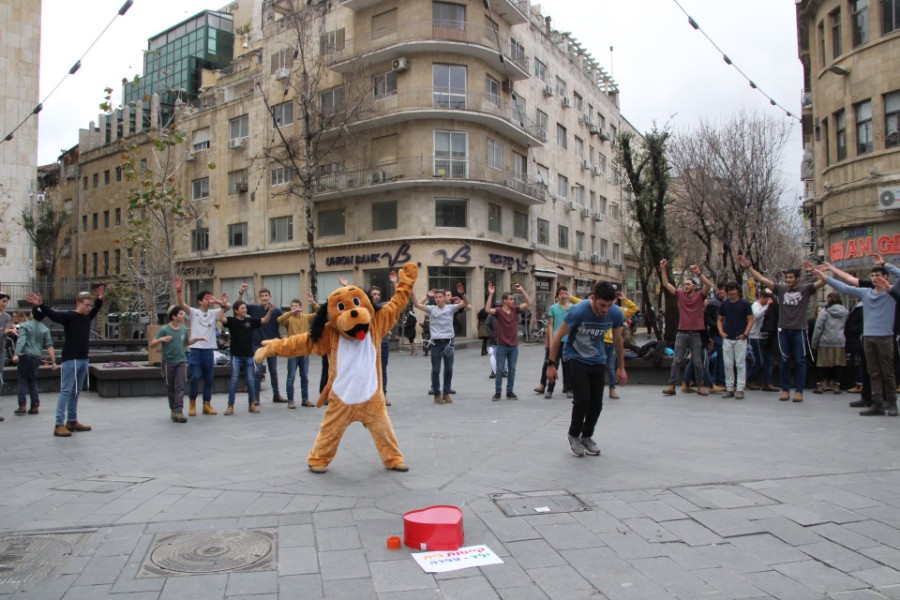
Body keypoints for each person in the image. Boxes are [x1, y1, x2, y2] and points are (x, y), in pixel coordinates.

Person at [546, 281, 626, 457]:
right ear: (593, 298)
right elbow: (558, 335)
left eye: (609, 305)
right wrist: (551, 365)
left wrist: (621, 367)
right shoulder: (578, 310)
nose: (605, 310)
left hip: (598, 359)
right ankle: (573, 435)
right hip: (575, 357)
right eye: (602, 305)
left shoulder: (615, 313)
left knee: (597, 403)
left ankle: (587, 436)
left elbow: (618, 340)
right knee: (582, 399)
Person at [814, 263, 900, 416]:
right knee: (872, 372)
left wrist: (885, 264)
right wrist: (826, 278)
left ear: (885, 277)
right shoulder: (866, 293)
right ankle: (877, 403)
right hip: (868, 337)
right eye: (872, 276)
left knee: (887, 373)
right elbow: (845, 287)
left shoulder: (890, 292)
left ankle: (892, 403)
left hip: (885, 337)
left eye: (878, 275)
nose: (874, 278)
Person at [738, 255, 826, 402]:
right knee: (784, 360)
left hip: (799, 330)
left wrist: (816, 270)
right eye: (787, 278)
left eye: (791, 277)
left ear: (797, 278)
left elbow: (824, 281)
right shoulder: (780, 289)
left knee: (800, 360)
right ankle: (785, 389)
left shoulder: (806, 290)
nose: (788, 280)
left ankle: (799, 391)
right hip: (783, 330)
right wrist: (748, 267)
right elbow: (762, 279)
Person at [26, 286, 104, 437]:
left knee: (76, 391)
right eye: (86, 305)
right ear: (78, 303)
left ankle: (72, 421)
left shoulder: (87, 317)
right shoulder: (69, 316)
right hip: (71, 359)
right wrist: (41, 305)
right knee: (66, 391)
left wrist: (100, 298)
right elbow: (54, 316)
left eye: (90, 305)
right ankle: (59, 424)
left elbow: (97, 308)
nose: (89, 308)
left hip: (83, 359)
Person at [175, 276, 231, 417]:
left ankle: (207, 404)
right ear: (200, 301)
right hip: (195, 350)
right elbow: (182, 305)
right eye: (206, 298)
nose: (208, 300)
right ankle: (192, 402)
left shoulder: (213, 313)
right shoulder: (194, 312)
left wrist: (218, 301)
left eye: (209, 298)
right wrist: (179, 291)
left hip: (209, 350)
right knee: (194, 377)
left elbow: (228, 307)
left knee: (209, 378)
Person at [659, 259, 714, 396]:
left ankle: (701, 386)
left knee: (697, 361)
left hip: (696, 334)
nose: (685, 286)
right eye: (684, 284)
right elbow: (666, 284)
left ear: (695, 287)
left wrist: (698, 273)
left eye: (688, 284)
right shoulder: (680, 295)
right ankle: (671, 385)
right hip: (682, 333)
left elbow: (709, 284)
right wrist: (664, 269)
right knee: (676, 360)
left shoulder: (700, 296)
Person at [412, 283, 469, 404]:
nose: (438, 299)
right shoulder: (432, 309)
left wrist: (462, 294)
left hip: (448, 342)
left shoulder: (451, 308)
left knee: (448, 369)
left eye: (440, 297)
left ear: (444, 298)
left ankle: (446, 393)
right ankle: (437, 394)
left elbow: (465, 303)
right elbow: (416, 304)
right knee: (436, 369)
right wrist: (425, 295)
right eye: (436, 297)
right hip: (436, 344)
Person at [150, 306, 205, 423]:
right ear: (174, 317)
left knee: (179, 387)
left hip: (181, 361)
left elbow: (186, 342)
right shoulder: (164, 329)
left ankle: (178, 411)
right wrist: (161, 340)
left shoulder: (183, 329)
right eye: (180, 314)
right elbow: (152, 344)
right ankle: (173, 410)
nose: (183, 316)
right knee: (171, 388)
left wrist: (196, 339)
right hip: (168, 362)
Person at [218, 300, 273, 415]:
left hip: (248, 355)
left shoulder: (250, 321)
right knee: (234, 380)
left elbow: (264, 320)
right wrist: (223, 306)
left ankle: (252, 404)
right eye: (242, 308)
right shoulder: (231, 321)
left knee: (250, 380)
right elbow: (220, 318)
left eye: (245, 308)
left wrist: (270, 312)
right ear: (236, 311)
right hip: (236, 356)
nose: (245, 310)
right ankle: (230, 405)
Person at [238, 285, 285, 405]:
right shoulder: (254, 309)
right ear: (259, 298)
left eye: (266, 295)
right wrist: (241, 292)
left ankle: (276, 394)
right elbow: (238, 305)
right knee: (257, 370)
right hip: (257, 345)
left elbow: (285, 321)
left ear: (270, 297)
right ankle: (256, 397)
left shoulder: (276, 310)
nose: (264, 298)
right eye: (262, 296)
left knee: (273, 370)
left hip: (272, 344)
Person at [485, 282, 531, 401]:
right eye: (511, 299)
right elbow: (487, 309)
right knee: (499, 370)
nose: (513, 301)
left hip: (514, 346)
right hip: (501, 345)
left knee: (512, 370)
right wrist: (490, 294)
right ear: (505, 300)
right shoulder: (499, 311)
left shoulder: (515, 310)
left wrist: (522, 290)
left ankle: (510, 392)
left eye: (513, 299)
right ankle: (498, 392)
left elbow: (529, 303)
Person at [12, 306, 57, 416]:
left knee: (22, 379)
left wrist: (16, 354)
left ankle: (22, 405)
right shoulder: (44, 329)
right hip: (36, 356)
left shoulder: (24, 326)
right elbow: (49, 345)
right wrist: (54, 361)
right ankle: (35, 405)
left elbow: (21, 341)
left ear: (32, 315)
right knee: (32, 380)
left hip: (25, 355)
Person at [278, 293, 319, 409]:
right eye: (292, 306)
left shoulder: (306, 317)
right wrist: (290, 313)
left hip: (304, 351)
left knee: (305, 376)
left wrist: (312, 302)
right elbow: (279, 320)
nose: (295, 308)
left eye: (296, 306)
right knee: (291, 376)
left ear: (301, 307)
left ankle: (305, 399)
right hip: (292, 351)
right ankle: (290, 400)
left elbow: (320, 313)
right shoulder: (289, 319)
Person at [536, 287, 576, 399]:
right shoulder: (553, 308)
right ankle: (550, 388)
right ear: (557, 297)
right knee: (553, 364)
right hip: (556, 340)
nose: (563, 296)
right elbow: (551, 325)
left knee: (568, 365)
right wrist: (550, 338)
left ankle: (568, 388)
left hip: (568, 341)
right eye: (560, 294)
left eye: (565, 294)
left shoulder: (572, 308)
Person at [716, 281, 754, 399]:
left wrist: (745, 334)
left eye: (734, 289)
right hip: (727, 338)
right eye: (730, 290)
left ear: (737, 290)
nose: (732, 292)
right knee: (728, 364)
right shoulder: (724, 304)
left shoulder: (744, 304)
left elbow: (751, 319)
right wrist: (721, 332)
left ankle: (740, 389)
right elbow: (719, 319)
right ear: (727, 292)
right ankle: (729, 388)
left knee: (740, 364)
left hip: (740, 338)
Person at [811, 292, 848, 394]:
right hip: (839, 341)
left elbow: (818, 328)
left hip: (825, 341)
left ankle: (820, 385)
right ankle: (836, 385)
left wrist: (814, 342)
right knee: (838, 364)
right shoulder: (845, 312)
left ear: (829, 299)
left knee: (822, 364)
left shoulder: (824, 312)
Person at [369, 273, 398, 406]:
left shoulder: (383, 307)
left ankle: (383, 395)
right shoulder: (363, 310)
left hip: (383, 344)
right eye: (374, 294)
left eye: (378, 294)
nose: (376, 296)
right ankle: (369, 397)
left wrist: (394, 283)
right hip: (368, 345)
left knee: (382, 371)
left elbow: (398, 300)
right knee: (368, 371)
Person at [604, 287, 637, 400]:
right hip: (600, 342)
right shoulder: (599, 307)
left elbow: (634, 309)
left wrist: (624, 299)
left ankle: (612, 389)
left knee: (611, 367)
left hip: (612, 343)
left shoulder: (618, 311)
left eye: (613, 299)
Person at [747, 290, 777, 392]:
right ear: (762, 297)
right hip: (756, 336)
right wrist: (767, 307)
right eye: (766, 299)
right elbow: (757, 315)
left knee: (769, 360)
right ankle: (749, 379)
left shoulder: (767, 306)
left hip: (765, 335)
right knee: (759, 360)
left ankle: (767, 382)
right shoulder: (755, 305)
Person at [705, 282, 727, 392]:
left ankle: (716, 380)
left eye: (724, 289)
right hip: (716, 334)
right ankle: (720, 381)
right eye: (721, 289)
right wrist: (717, 327)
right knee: (721, 357)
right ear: (718, 290)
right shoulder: (713, 303)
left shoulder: (725, 303)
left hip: (723, 334)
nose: (723, 291)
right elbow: (708, 318)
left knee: (719, 358)